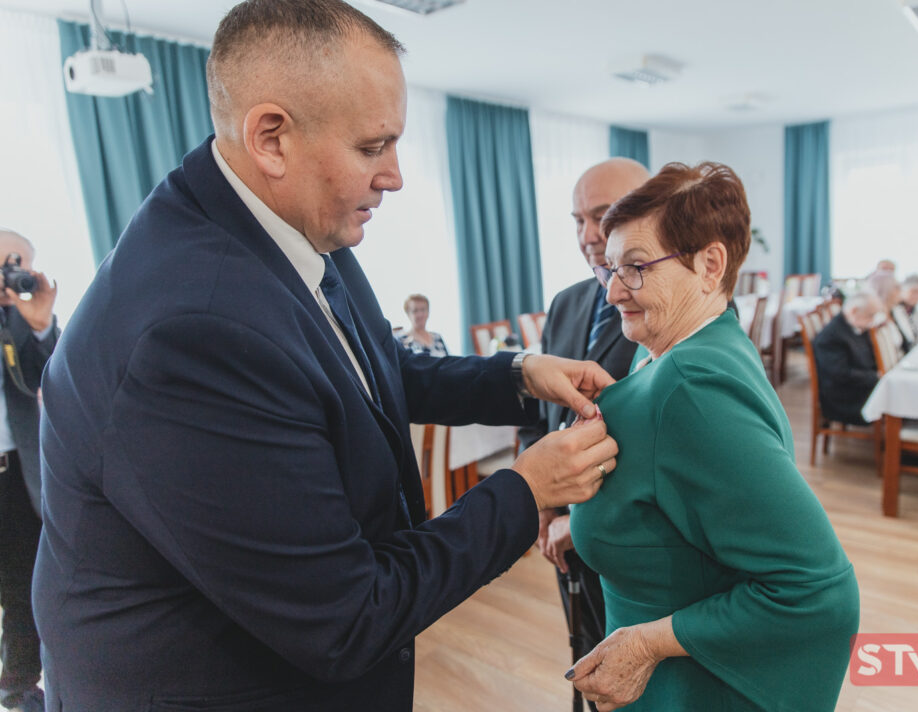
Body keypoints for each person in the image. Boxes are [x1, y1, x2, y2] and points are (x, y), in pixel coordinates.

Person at [32, 2, 619, 711]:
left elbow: (367, 370)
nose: (396, 176)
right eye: (374, 148)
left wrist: (518, 376)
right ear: (272, 137)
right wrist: (527, 490)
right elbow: (347, 616)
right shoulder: (193, 334)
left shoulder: (289, 221)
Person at [567, 162, 859, 711]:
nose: (611, 293)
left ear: (710, 264)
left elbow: (817, 589)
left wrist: (647, 644)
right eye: (610, 269)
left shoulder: (690, 387)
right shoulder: (692, 342)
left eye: (634, 268)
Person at [517, 157, 649, 688]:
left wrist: (582, 521)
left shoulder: (663, 306)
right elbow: (540, 413)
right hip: (562, 531)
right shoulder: (567, 302)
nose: (589, 236)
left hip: (630, 535)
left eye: (604, 216)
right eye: (577, 220)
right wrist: (544, 509)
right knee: (587, 655)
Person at [0, 230, 56, 712]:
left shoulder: (15, 319)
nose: (10, 271)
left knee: (24, 580)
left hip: (14, 471)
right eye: (5, 261)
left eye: (18, 264)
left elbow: (46, 378)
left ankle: (17, 686)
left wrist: (39, 326)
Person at [812, 292, 883, 426]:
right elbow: (841, 374)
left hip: (859, 385)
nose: (872, 320)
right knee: (891, 397)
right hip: (844, 398)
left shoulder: (856, 325)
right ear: (854, 311)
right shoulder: (830, 337)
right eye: (870, 315)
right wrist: (875, 376)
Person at [866, 270, 911, 353]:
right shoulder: (877, 320)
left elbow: (910, 339)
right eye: (897, 287)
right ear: (886, 290)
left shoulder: (896, 311)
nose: (901, 291)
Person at [896, 273, 918, 344]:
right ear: (903, 289)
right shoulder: (894, 311)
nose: (917, 296)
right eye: (914, 291)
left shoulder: (913, 309)